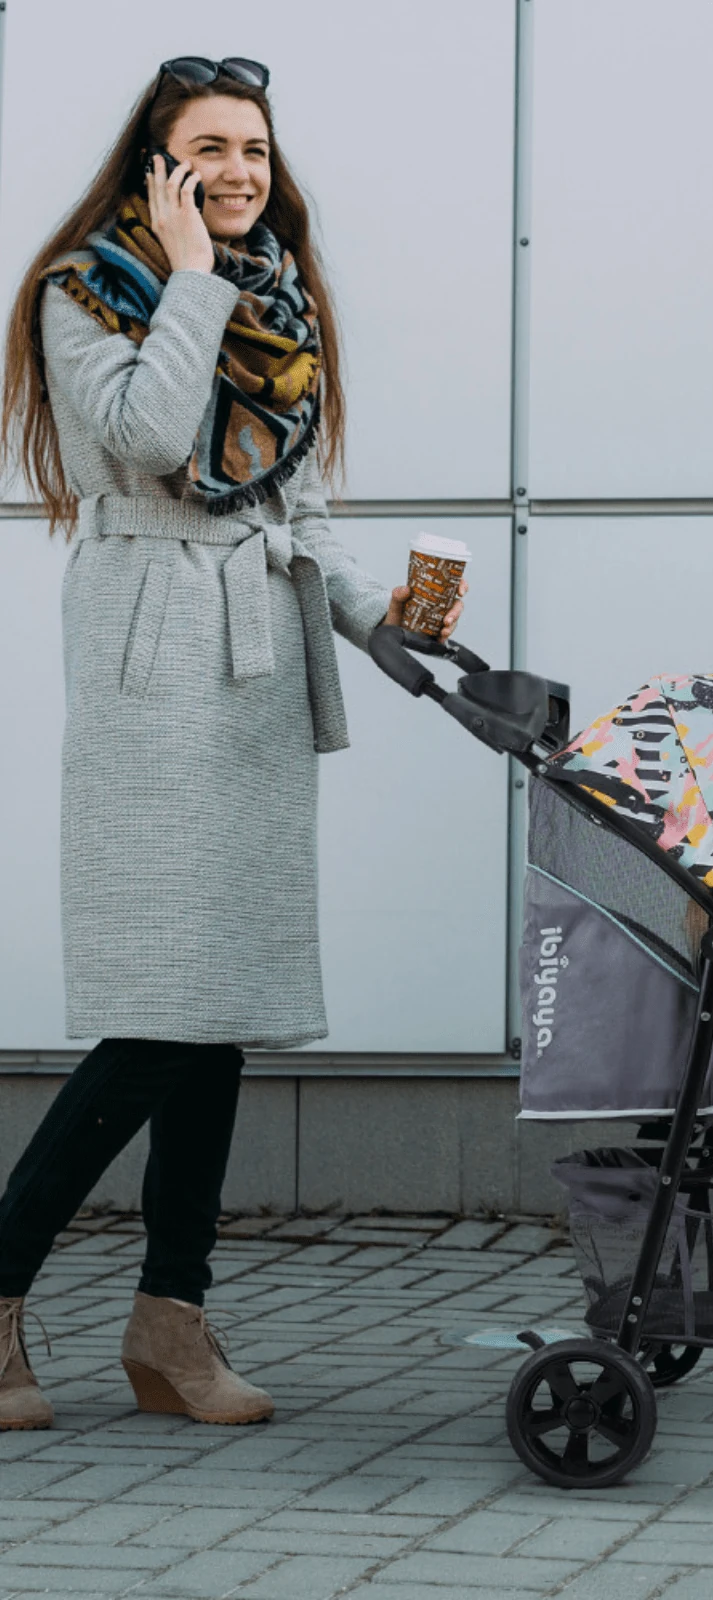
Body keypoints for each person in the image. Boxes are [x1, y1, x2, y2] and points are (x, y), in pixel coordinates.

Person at [0, 57, 465, 1430]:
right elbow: (146, 432)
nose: (243, 170)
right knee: (159, 1011)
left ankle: (171, 1329)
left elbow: (296, 511)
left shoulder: (275, 303)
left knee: (222, 1018)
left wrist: (393, 628)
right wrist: (195, 272)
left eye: (255, 146)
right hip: (153, 660)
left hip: (255, 666)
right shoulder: (82, 294)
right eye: (210, 146)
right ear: (156, 165)